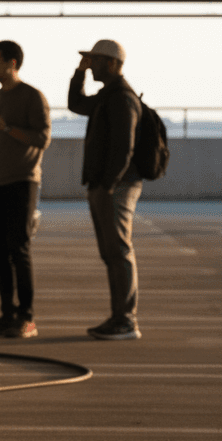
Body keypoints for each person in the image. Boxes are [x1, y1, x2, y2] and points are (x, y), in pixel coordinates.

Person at [0, 41, 51, 338]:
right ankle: (7, 314)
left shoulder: (32, 97)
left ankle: (27, 317)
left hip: (23, 181)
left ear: (12, 63)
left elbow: (42, 139)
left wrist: (4, 127)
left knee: (20, 249)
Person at [69, 39, 144, 340]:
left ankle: (125, 320)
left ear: (112, 64)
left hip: (116, 186)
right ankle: (119, 317)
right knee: (112, 252)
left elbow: (123, 148)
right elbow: (76, 104)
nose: (92, 65)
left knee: (119, 250)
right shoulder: (106, 96)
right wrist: (79, 72)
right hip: (106, 185)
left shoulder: (121, 98)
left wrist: (108, 185)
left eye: (96, 61)